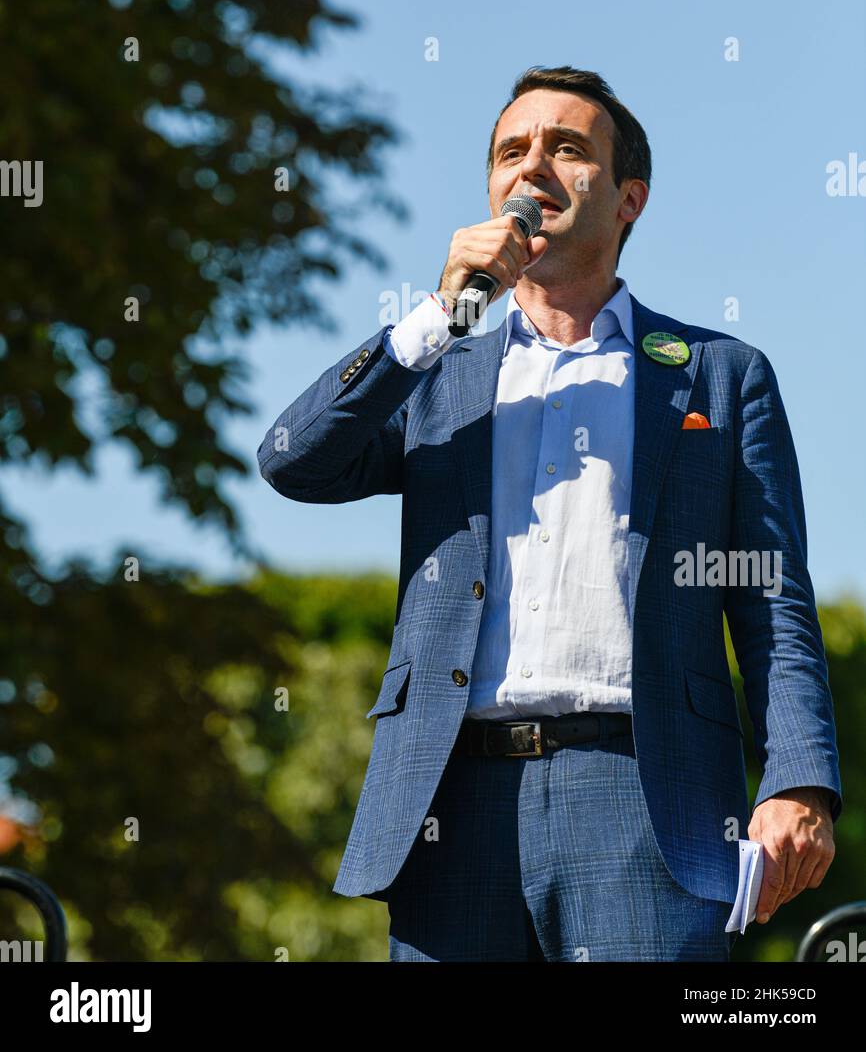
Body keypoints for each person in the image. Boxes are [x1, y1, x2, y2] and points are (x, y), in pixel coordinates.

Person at [257, 65, 841, 962]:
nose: (531, 169)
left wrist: (798, 779)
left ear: (627, 199)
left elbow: (770, 599)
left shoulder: (720, 375)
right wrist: (434, 320)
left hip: (648, 802)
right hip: (450, 806)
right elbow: (294, 461)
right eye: (511, 152)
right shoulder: (437, 377)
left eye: (567, 149)